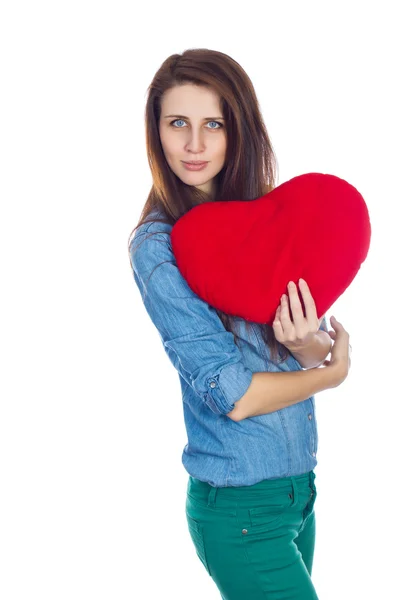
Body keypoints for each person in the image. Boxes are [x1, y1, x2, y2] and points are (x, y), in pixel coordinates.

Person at [127, 48, 351, 600]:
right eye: (178, 122)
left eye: (214, 124)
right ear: (156, 131)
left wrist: (312, 347)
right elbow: (233, 394)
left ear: (238, 130)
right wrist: (330, 373)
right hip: (241, 511)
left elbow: (303, 343)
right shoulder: (158, 248)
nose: (195, 145)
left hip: (299, 493)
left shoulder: (268, 215)